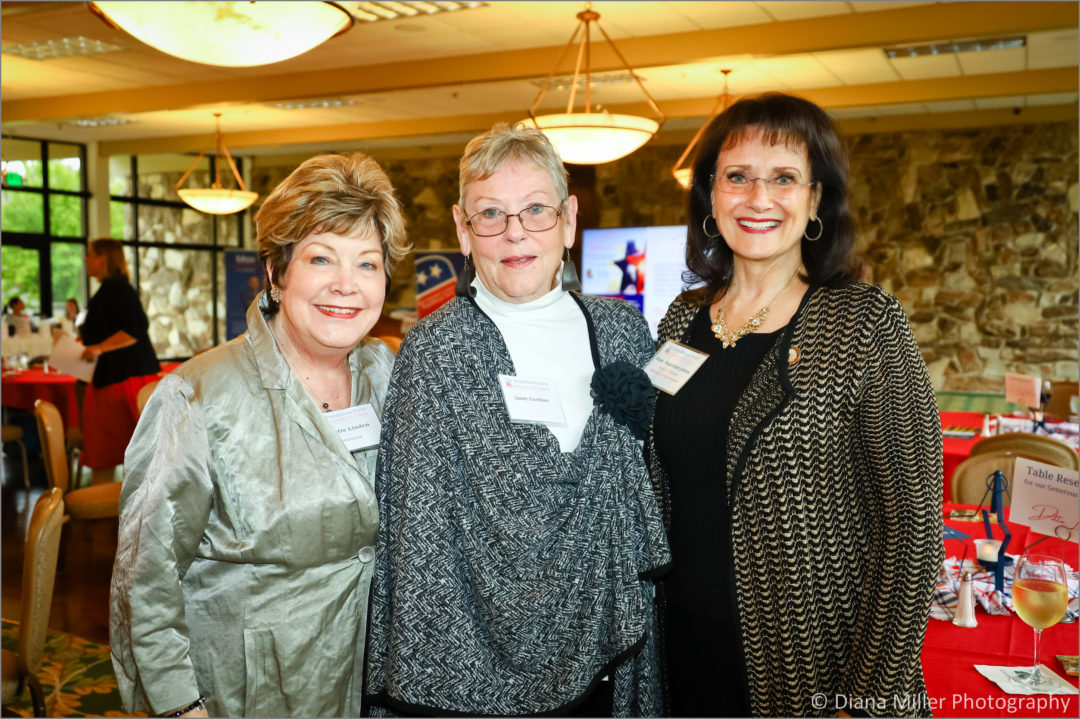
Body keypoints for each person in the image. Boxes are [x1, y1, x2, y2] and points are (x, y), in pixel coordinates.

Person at [648, 91, 944, 718]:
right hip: (681, 649)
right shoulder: (680, 319)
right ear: (710, 196)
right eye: (738, 177)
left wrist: (864, 698)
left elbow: (913, 531)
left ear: (815, 201)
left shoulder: (864, 323)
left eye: (784, 178)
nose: (758, 198)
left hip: (817, 662)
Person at [365, 123, 670, 717]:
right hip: (467, 667)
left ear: (568, 220)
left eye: (535, 209)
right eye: (491, 214)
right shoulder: (435, 352)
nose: (515, 232)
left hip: (610, 655)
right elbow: (417, 538)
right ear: (462, 228)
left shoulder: (623, 334)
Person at [110, 152, 409, 718]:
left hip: (370, 684)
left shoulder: (390, 376)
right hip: (247, 693)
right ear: (276, 271)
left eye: (367, 264)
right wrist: (177, 707)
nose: (346, 285)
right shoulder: (198, 396)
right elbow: (143, 577)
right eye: (321, 258)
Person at [79, 239, 161, 484]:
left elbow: (137, 327)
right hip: (114, 377)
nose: (86, 259)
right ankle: (106, 503)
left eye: (90, 255)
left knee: (128, 452)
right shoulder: (110, 289)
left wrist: (98, 347)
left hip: (124, 379)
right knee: (110, 451)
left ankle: (115, 504)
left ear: (103, 258)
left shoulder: (117, 288)